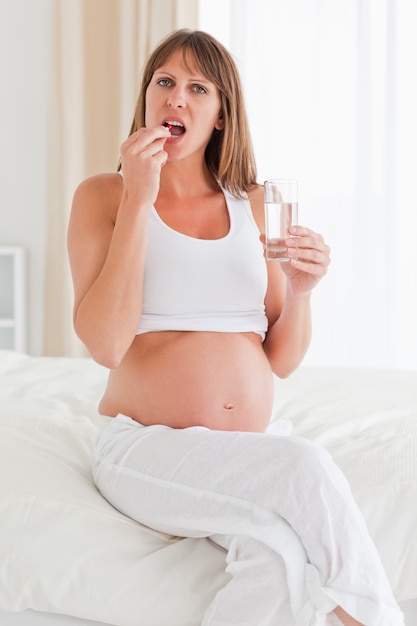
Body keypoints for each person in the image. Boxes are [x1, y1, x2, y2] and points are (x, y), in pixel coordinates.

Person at [68, 29, 404, 626]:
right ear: (146, 99)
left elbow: (280, 359)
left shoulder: (259, 204)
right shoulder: (106, 197)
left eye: (199, 88)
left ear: (221, 115)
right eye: (164, 82)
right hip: (146, 449)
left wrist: (301, 295)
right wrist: (140, 201)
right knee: (306, 466)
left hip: (245, 447)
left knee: (273, 552)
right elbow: (105, 343)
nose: (177, 98)